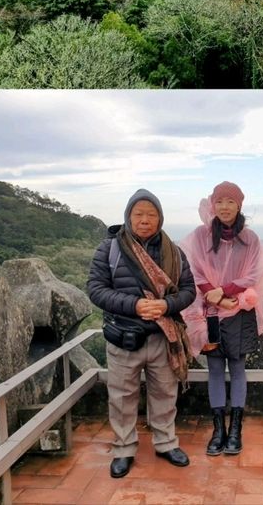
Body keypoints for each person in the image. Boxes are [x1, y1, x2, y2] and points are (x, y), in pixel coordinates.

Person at [87, 188, 195, 479]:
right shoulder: (110, 248)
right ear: (128, 216)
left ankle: (166, 443)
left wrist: (165, 304)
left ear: (160, 218)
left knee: (165, 393)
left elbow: (189, 291)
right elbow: (96, 290)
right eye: (138, 214)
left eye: (151, 214)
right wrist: (135, 306)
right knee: (122, 397)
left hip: (163, 336)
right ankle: (123, 449)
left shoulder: (174, 252)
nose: (145, 220)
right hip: (124, 337)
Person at [180, 181, 263, 456]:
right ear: (212, 204)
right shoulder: (200, 236)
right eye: (220, 201)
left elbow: (253, 274)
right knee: (216, 370)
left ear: (239, 205)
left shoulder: (250, 239)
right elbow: (191, 268)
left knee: (238, 368)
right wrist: (213, 295)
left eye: (230, 201)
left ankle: (236, 430)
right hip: (209, 312)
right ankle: (218, 430)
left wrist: (226, 291)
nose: (224, 207)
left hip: (240, 311)